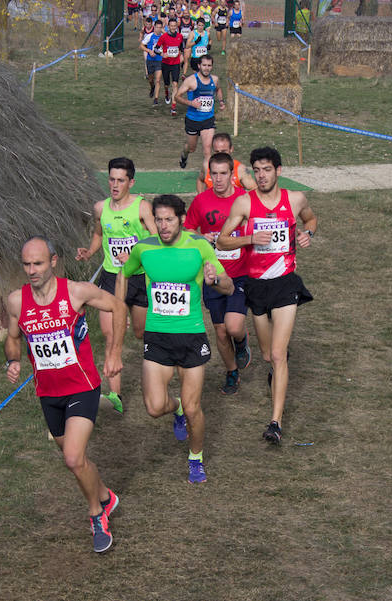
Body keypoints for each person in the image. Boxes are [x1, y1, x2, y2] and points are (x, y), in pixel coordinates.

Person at [4, 236, 125, 553]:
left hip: (82, 386)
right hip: (48, 393)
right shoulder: (16, 301)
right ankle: (106, 496)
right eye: (27, 264)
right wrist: (13, 360)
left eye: (38, 263)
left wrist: (113, 353)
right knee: (76, 459)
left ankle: (97, 516)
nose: (32, 270)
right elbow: (13, 337)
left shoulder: (76, 291)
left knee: (72, 457)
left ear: (53, 261)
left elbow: (117, 306)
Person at [116, 195, 233, 483]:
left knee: (195, 408)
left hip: (191, 335)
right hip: (157, 337)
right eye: (158, 220)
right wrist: (119, 305)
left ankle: (196, 458)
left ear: (181, 219)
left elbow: (229, 287)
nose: (163, 225)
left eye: (169, 219)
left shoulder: (199, 247)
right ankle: (175, 407)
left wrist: (215, 280)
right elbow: (123, 272)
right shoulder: (144, 250)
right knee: (155, 407)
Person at [217, 147, 317, 445]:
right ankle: (277, 364)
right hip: (257, 286)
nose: (261, 176)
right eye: (257, 170)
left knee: (276, 354)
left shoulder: (295, 199)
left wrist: (307, 234)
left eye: (267, 170)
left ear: (278, 171)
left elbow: (311, 220)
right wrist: (249, 238)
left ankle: (275, 422)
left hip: (286, 284)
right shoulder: (244, 203)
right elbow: (222, 241)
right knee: (266, 355)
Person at [76, 157, 157, 413]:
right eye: (111, 179)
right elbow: (99, 234)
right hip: (111, 277)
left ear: (131, 182)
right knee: (111, 335)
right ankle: (115, 396)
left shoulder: (143, 208)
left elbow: (157, 240)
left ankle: (156, 371)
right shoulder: (100, 208)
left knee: (139, 333)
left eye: (120, 180)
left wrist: (135, 253)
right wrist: (89, 252)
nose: (115, 184)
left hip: (139, 277)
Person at [184, 152, 252, 394]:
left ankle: (242, 343)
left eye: (224, 173)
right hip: (212, 274)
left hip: (240, 273)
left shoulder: (245, 201)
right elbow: (188, 230)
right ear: (209, 176)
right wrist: (201, 237)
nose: (220, 178)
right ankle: (232, 371)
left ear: (232, 176)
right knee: (221, 330)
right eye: (215, 174)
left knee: (233, 327)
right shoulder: (201, 201)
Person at [175, 54, 224, 177]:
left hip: (208, 119)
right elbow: (177, 96)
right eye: (204, 65)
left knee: (207, 151)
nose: (207, 68)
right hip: (193, 120)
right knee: (191, 148)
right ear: (199, 66)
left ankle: (208, 179)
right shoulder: (191, 81)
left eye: (209, 65)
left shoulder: (215, 79)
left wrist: (221, 102)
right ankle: (184, 155)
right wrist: (190, 103)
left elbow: (218, 89)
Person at [155, 18, 185, 115]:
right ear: (168, 26)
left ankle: (173, 107)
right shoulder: (163, 37)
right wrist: (161, 54)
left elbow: (181, 48)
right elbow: (156, 49)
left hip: (175, 64)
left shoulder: (180, 36)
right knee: (166, 83)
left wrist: (181, 56)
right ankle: (166, 92)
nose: (173, 28)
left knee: (175, 84)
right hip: (166, 63)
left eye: (174, 26)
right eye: (171, 26)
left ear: (176, 26)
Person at [140, 19, 165, 106]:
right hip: (150, 60)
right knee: (151, 79)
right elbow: (141, 46)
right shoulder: (150, 36)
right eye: (157, 27)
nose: (158, 29)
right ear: (154, 27)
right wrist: (149, 51)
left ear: (162, 28)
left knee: (158, 80)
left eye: (160, 27)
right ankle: (152, 87)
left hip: (159, 60)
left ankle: (156, 99)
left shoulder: (163, 37)